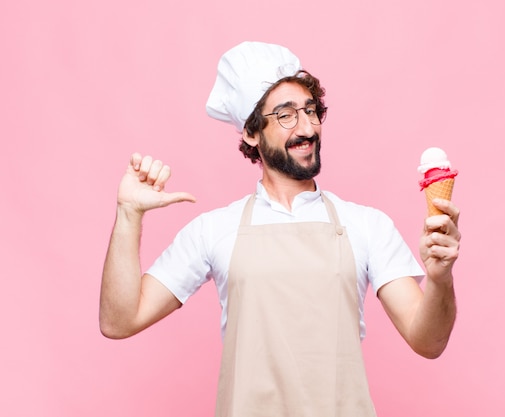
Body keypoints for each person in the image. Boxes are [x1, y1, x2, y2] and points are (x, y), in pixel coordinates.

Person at [99, 41, 461, 416]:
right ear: (251, 134)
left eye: (311, 111)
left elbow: (427, 341)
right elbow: (119, 320)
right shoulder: (214, 230)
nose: (307, 127)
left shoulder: (367, 225)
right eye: (286, 115)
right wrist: (129, 214)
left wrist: (440, 278)